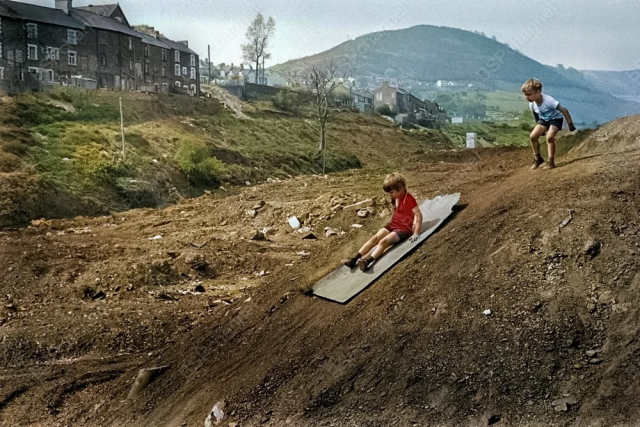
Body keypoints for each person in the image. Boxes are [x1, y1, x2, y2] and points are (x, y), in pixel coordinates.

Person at [344, 173, 423, 272]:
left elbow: (419, 216)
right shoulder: (396, 197)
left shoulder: (409, 199)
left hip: (403, 229)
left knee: (383, 242)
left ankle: (367, 261)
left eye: (392, 192)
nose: (390, 195)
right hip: (393, 225)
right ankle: (354, 258)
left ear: (401, 188)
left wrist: (416, 233)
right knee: (375, 238)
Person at [521, 79, 576, 170]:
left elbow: (564, 110)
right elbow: (535, 114)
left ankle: (551, 161)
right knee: (533, 136)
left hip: (555, 119)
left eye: (529, 94)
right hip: (544, 119)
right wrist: (538, 125)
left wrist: (570, 124)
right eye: (525, 95)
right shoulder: (532, 103)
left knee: (549, 138)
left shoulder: (549, 101)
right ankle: (538, 159)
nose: (526, 97)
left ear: (538, 92)